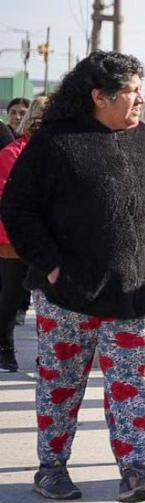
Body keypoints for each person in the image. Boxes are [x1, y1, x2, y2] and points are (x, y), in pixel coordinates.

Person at [1, 51, 145, 502]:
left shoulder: (144, 138)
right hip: (68, 295)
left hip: (136, 290)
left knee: (129, 384)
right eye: (132, 92)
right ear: (100, 96)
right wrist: (51, 264)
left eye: (142, 90)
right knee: (61, 385)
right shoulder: (55, 143)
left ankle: (137, 471)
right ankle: (52, 468)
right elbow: (18, 209)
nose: (141, 99)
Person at [0, 96, 48, 371]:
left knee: (48, 298)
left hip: (49, 238)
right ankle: (5, 347)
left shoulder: (61, 151)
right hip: (14, 238)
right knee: (12, 295)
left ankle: (47, 352)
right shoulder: (12, 153)